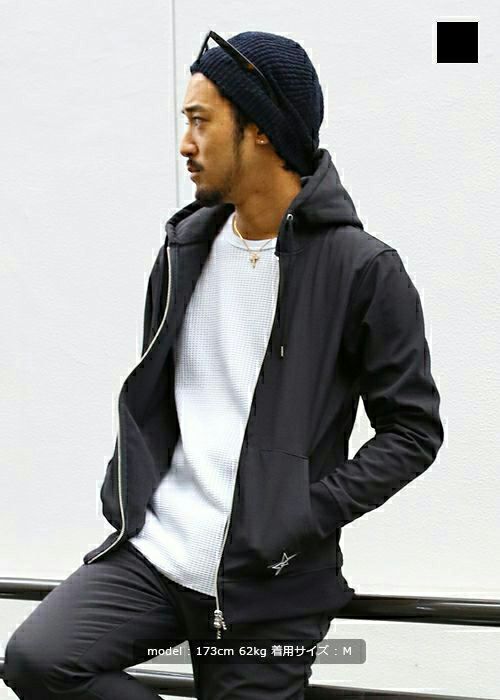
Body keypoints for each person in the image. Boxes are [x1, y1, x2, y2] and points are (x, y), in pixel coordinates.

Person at [3, 29, 444, 699]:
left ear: (260, 129)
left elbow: (413, 432)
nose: (186, 143)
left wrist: (301, 514)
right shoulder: (183, 249)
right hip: (156, 557)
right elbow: (161, 392)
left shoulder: (364, 270)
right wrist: (128, 484)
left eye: (200, 121)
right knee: (38, 659)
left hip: (271, 585)